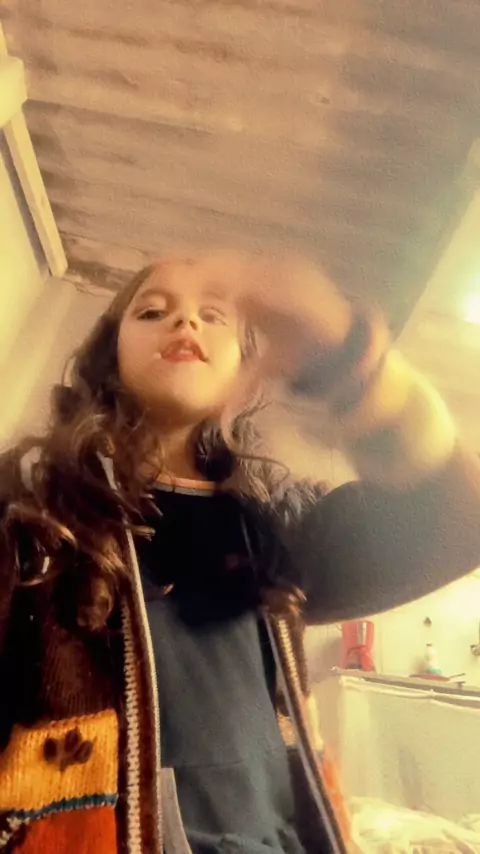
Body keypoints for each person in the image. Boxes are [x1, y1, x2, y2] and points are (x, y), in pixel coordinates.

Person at [1, 252, 479, 854]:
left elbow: (460, 519)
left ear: (245, 359)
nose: (185, 323)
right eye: (152, 311)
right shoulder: (33, 507)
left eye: (213, 315)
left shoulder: (281, 528)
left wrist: (351, 365)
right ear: (109, 354)